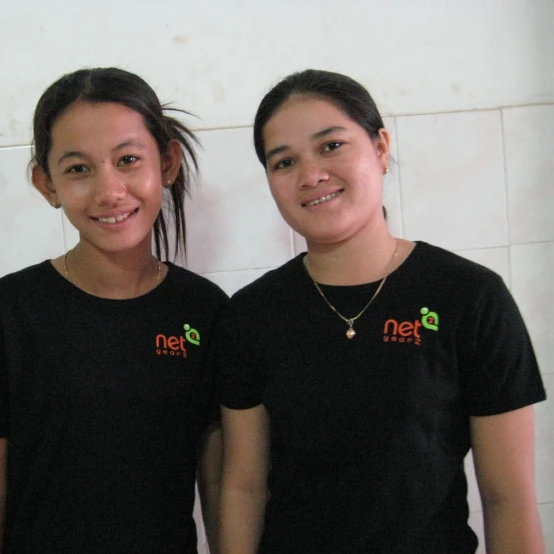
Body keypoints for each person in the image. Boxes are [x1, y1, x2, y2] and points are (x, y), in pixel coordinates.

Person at [216, 69, 547, 553]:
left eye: (331, 146)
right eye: (284, 161)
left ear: (380, 147)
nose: (311, 175)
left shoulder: (470, 297)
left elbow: (508, 498)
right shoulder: (251, 315)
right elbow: (244, 485)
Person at [0, 67, 227, 554]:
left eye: (128, 159)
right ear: (45, 183)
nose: (109, 191)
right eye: (78, 169)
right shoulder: (5, 314)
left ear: (168, 162)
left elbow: (217, 485)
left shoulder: (204, 312)